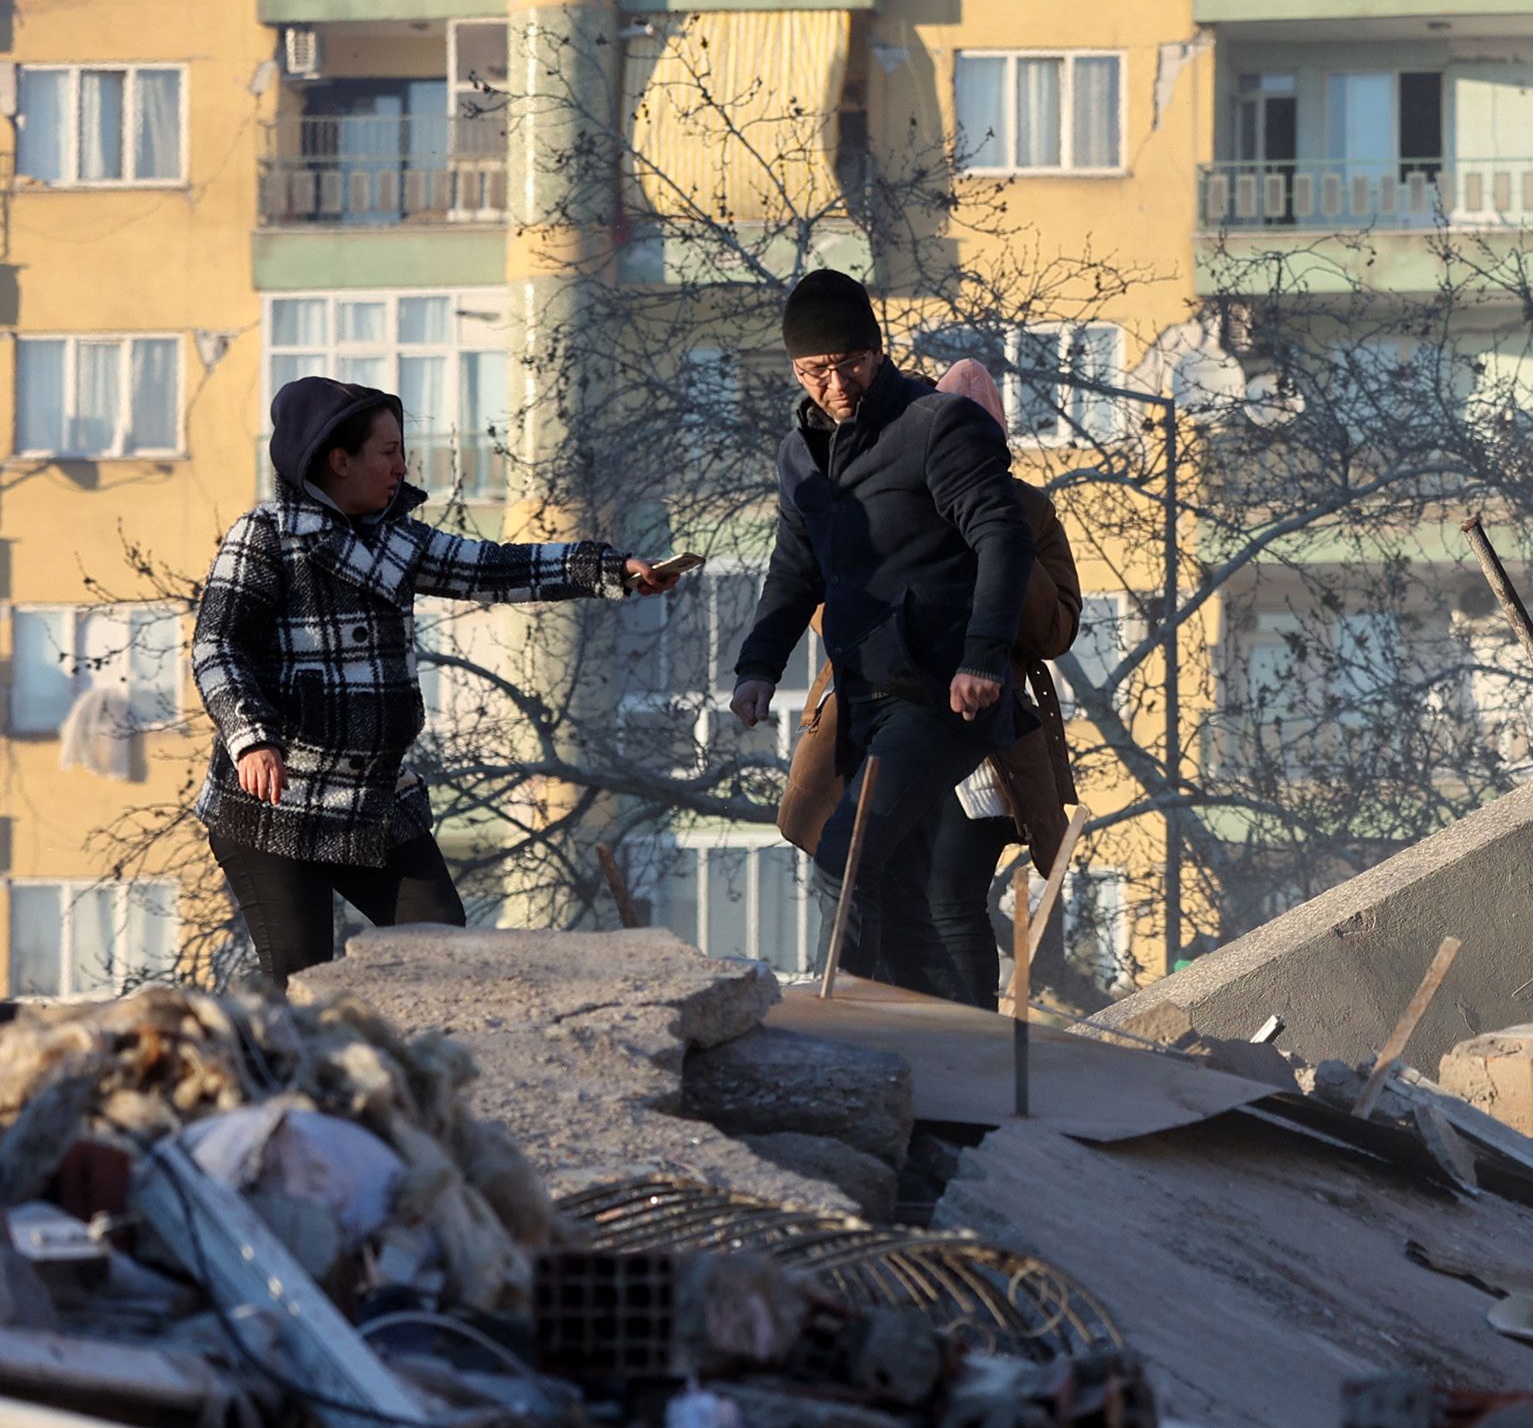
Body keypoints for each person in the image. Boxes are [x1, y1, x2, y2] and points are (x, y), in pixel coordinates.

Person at [191, 375, 683, 985]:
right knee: (301, 979)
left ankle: (424, 1070)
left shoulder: (400, 540)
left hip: (374, 801)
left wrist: (610, 569)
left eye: (403, 450)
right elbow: (217, 644)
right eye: (388, 451)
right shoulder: (265, 536)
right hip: (274, 807)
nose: (403, 466)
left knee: (443, 949)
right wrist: (251, 737)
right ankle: (300, 1078)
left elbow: (499, 567)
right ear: (339, 461)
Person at [730, 271, 1035, 1002]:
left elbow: (1005, 536)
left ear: (877, 350)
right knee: (902, 888)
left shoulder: (935, 426)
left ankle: (852, 1024)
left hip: (941, 696)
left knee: (849, 853)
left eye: (850, 364)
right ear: (795, 370)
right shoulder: (799, 455)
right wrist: (757, 667)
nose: (835, 384)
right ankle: (944, 1041)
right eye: (815, 370)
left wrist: (983, 657)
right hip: (864, 699)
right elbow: (793, 570)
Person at [773, 357, 1086, 1008]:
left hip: (980, 741)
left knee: (951, 899)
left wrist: (1005, 546)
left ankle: (971, 1045)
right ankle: (880, 1026)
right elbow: (825, 602)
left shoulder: (1027, 509)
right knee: (878, 880)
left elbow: (1054, 629)